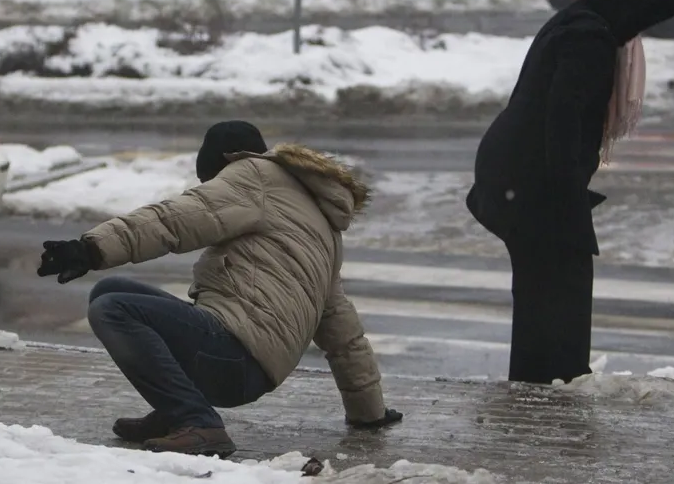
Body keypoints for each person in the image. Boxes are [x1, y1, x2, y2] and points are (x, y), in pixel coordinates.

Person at [36, 120, 402, 458]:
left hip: (235, 357)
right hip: (249, 368)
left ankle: (198, 422)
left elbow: (174, 219)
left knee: (113, 308)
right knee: (111, 289)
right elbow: (344, 333)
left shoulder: (252, 177)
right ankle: (175, 410)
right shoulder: (315, 222)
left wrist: (90, 249)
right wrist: (369, 413)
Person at [464, 0, 674, 384]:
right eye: (641, 22)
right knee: (563, 286)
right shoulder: (590, 42)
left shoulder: (575, 23)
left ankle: (536, 387)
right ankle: (555, 387)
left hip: (515, 176)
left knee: (541, 293)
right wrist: (568, 208)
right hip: (530, 183)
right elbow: (562, 124)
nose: (637, 35)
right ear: (629, 8)